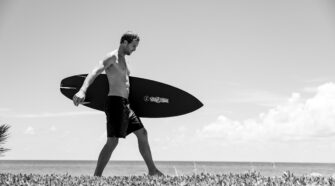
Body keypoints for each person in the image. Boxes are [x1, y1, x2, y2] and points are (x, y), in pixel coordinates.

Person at [72, 31, 163, 177]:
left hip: (126, 105)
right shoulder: (112, 57)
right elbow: (95, 71)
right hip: (115, 103)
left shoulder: (124, 61)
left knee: (143, 134)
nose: (134, 49)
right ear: (124, 42)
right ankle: (96, 177)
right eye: (133, 46)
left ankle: (152, 171)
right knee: (112, 142)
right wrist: (82, 90)